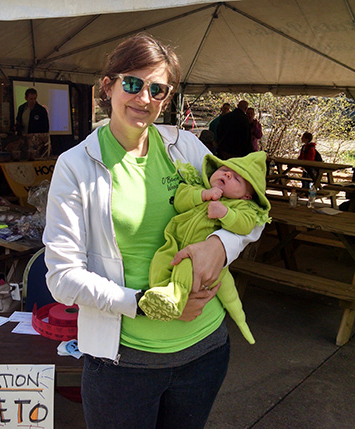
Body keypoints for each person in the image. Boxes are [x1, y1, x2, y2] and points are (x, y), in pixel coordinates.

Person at [43, 34, 264, 429]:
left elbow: (251, 210)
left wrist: (220, 245)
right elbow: (62, 277)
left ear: (167, 97)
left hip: (205, 351)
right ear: (107, 86)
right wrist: (143, 303)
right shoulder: (75, 166)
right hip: (124, 365)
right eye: (132, 83)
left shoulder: (187, 148)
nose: (144, 98)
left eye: (157, 89)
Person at [139, 151, 271, 345]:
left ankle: (175, 298)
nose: (227, 175)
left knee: (186, 269)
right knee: (161, 261)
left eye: (236, 178)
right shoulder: (197, 187)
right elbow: (179, 200)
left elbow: (246, 225)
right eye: (225, 169)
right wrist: (202, 195)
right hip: (173, 242)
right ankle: (158, 294)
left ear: (247, 195)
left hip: (199, 258)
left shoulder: (243, 207)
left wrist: (225, 213)